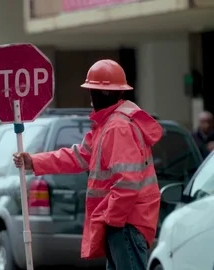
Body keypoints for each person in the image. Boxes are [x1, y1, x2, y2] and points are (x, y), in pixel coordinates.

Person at [13, 59, 162, 270]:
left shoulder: (116, 127)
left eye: (93, 91)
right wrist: (34, 161)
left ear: (105, 94)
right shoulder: (110, 125)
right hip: (125, 224)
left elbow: (127, 182)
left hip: (126, 224)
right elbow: (79, 156)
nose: (90, 97)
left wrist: (112, 220)